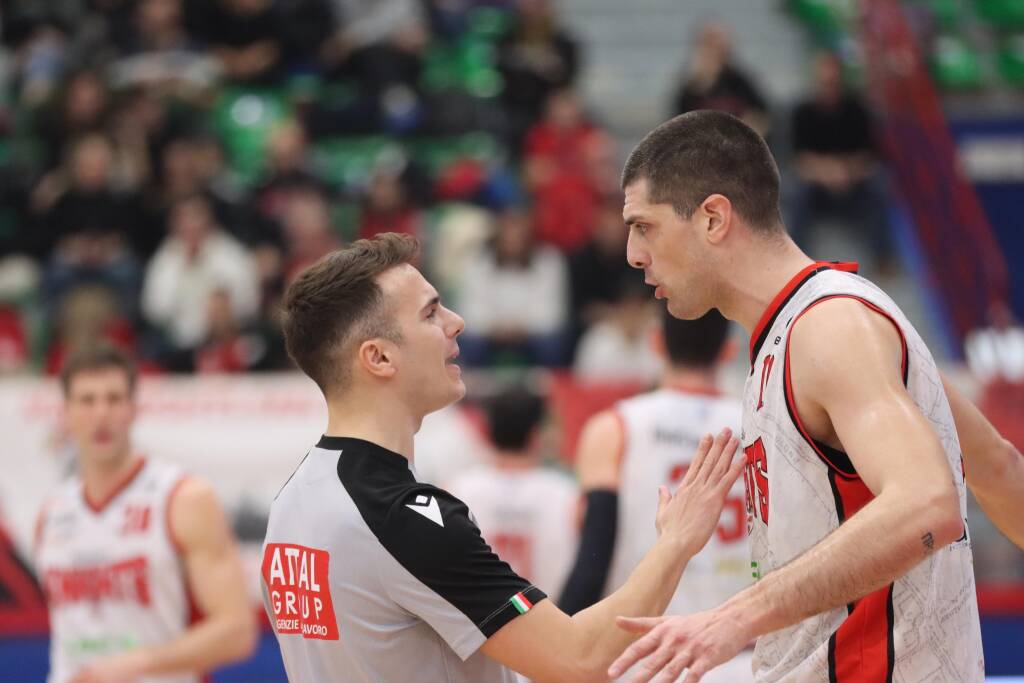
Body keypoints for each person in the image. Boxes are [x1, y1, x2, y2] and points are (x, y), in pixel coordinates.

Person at [260, 233, 745, 682]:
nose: (457, 322)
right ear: (379, 358)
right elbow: (579, 659)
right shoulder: (401, 517)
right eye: (431, 314)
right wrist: (677, 541)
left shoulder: (293, 500)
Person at [609, 110, 984, 682]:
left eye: (644, 226)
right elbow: (1000, 466)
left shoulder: (829, 327)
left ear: (713, 218)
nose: (634, 254)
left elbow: (927, 505)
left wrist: (733, 618)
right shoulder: (801, 331)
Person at [34, 345, 256, 683]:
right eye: (87, 400)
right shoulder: (51, 513)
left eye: (113, 399)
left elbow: (237, 631)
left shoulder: (182, 497)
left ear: (134, 407)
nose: (101, 414)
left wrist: (137, 663)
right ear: (65, 412)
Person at [562, 308, 749, 682]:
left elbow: (595, 553)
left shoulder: (615, 427)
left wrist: (564, 643)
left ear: (656, 344)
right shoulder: (760, 426)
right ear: (729, 351)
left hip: (647, 658)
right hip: (744, 656)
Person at [447, 385, 579, 597]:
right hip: (550, 618)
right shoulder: (566, 493)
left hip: (480, 620)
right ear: (537, 434)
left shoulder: (457, 489)